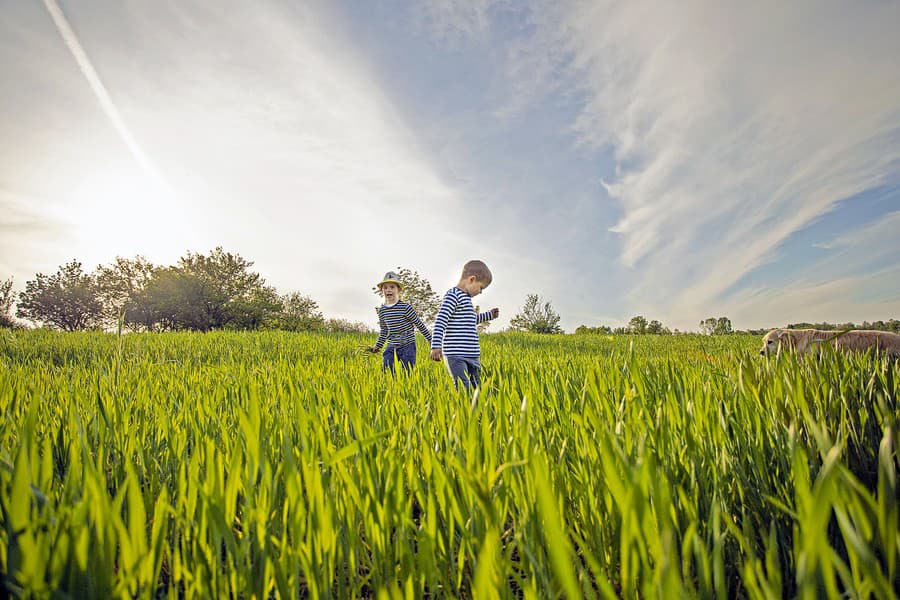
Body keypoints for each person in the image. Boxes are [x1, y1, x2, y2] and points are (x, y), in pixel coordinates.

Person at [430, 260, 499, 389]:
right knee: (463, 388)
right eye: (481, 288)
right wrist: (436, 346)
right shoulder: (453, 296)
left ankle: (476, 408)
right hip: (456, 354)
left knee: (477, 388)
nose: (480, 292)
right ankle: (464, 408)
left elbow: (471, 319)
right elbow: (441, 320)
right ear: (472, 280)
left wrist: (489, 315)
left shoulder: (466, 299)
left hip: (472, 355)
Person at [368, 271, 432, 373]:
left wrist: (430, 339)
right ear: (381, 290)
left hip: (408, 346)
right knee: (387, 371)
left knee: (406, 373)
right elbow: (384, 331)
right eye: (385, 287)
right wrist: (378, 346)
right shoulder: (382, 311)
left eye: (392, 287)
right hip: (391, 346)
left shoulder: (406, 308)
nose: (388, 290)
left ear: (399, 290)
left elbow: (418, 324)